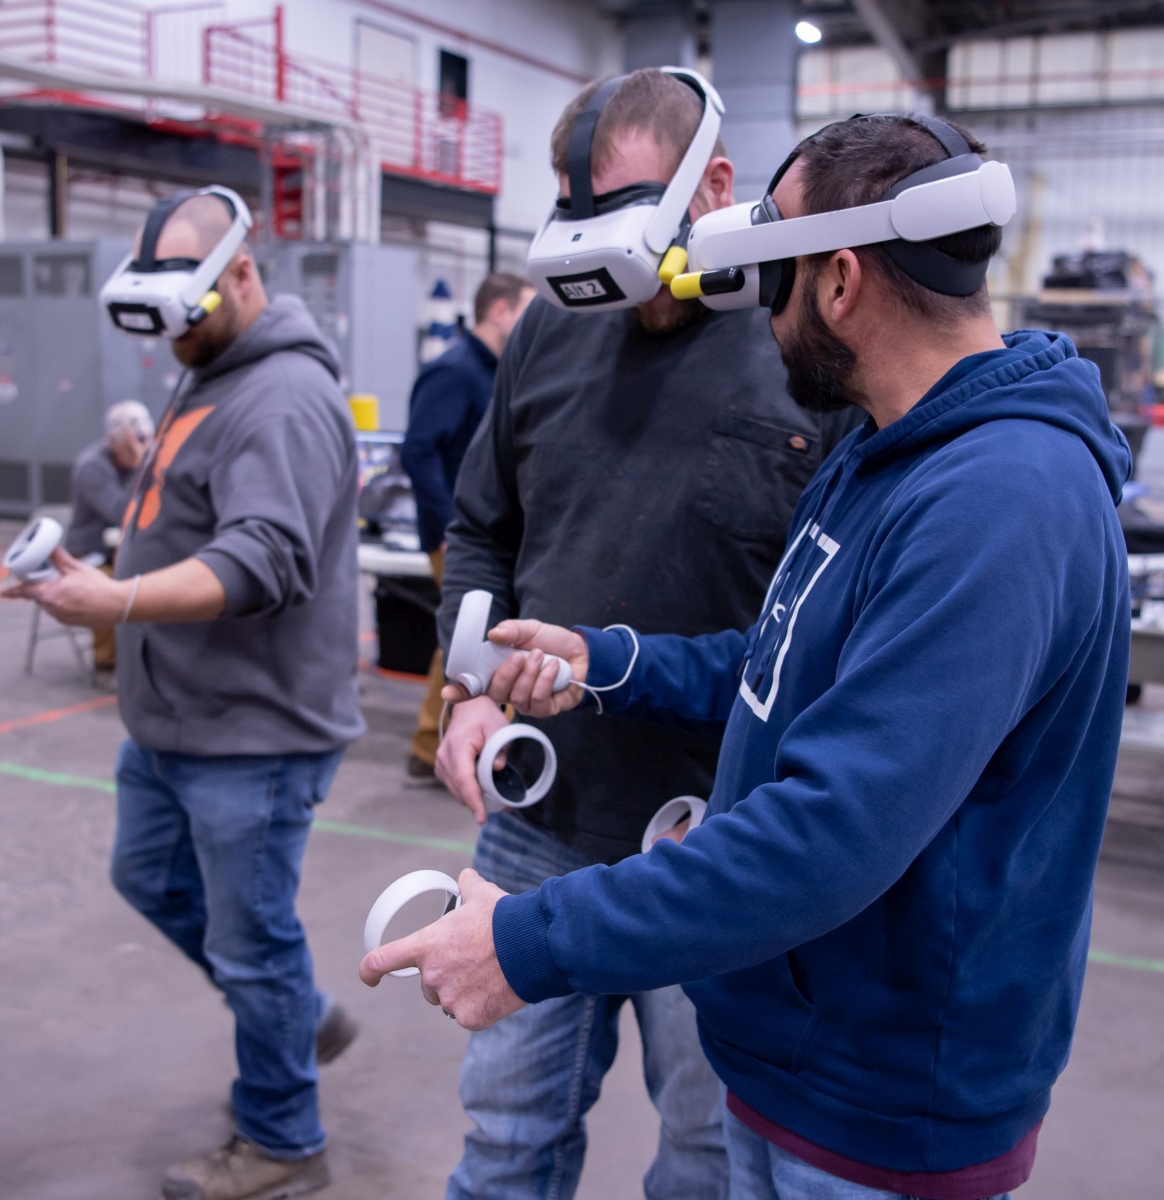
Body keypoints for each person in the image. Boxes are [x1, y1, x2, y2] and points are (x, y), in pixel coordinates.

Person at [361, 113, 1132, 1200]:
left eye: (772, 281)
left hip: (881, 1107)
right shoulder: (883, 454)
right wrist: (610, 659)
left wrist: (525, 944)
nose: (762, 321)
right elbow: (784, 664)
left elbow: (829, 833)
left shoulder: (998, 500)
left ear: (840, 281)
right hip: (793, 1052)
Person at [426, 69, 859, 1200]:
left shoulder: (807, 345)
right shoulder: (548, 333)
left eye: (633, 224)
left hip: (718, 837)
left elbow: (834, 620)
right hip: (540, 813)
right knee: (505, 1137)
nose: (609, 272)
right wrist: (469, 688)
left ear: (714, 186)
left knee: (708, 1158)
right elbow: (480, 529)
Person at [4, 189, 364, 1200]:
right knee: (151, 878)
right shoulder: (212, 369)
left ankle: (284, 1139)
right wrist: (103, 571)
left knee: (250, 944)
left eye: (189, 316)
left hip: (253, 733)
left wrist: (118, 600)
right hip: (178, 722)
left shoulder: (281, 396)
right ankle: (294, 1014)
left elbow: (263, 557)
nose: (175, 340)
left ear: (242, 273)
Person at [401, 271, 536, 781]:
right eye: (526, 310)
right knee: (465, 640)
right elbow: (419, 452)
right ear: (499, 310)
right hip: (459, 534)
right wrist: (444, 526)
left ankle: (436, 744)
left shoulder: (495, 372)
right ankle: (434, 746)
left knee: (466, 639)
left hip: (478, 529)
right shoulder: (455, 371)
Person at [64, 399, 155, 677]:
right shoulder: (92, 466)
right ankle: (106, 663)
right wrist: (143, 467)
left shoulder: (143, 458)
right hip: (91, 553)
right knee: (106, 588)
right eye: (132, 445)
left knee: (164, 579)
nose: (138, 451)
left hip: (127, 549)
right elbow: (123, 513)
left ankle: (149, 658)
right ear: (115, 441)